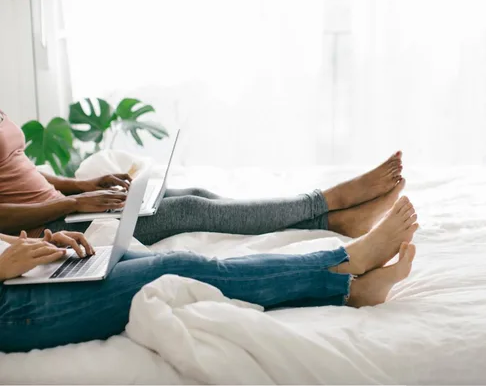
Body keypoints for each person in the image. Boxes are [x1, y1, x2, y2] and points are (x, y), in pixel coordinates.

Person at [0, 110, 419, 352]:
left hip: (27, 266)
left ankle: (350, 288)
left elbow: (19, 168)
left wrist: (28, 247)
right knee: (181, 267)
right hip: (14, 308)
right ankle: (344, 260)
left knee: (179, 258)